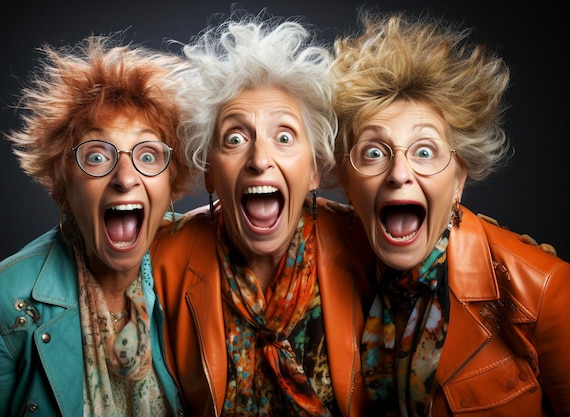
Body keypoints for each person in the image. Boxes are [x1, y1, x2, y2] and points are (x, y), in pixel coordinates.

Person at [331, 9, 570, 417]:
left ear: (459, 179)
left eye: (425, 152)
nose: (399, 173)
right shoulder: (327, 258)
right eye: (374, 152)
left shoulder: (543, 289)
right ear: (348, 182)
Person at [150, 11, 374, 417]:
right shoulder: (163, 259)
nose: (259, 159)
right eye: (235, 138)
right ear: (211, 174)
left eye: (284, 136)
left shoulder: (367, 249)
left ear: (314, 170)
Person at [0, 34, 191, 416]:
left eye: (148, 155)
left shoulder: (199, 267)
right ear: (64, 185)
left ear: (171, 185)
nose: (125, 177)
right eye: (97, 156)